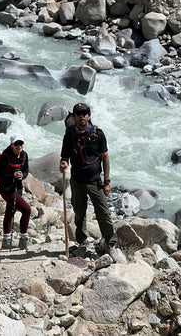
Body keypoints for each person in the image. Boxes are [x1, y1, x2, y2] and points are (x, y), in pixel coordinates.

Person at [59, 103, 118, 258]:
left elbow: (105, 157)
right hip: (77, 180)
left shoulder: (98, 134)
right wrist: (63, 164)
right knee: (79, 212)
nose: (81, 116)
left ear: (89, 116)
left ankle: (110, 244)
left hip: (94, 181)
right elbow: (64, 157)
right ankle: (81, 241)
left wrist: (107, 181)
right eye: (78, 113)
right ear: (74, 117)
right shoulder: (70, 134)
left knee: (103, 213)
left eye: (85, 113)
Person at [0, 134, 31, 250]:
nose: (19, 146)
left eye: (21, 143)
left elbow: (25, 171)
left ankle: (6, 241)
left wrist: (22, 175)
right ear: (11, 145)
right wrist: (13, 174)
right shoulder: (6, 156)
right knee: (27, 210)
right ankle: (23, 239)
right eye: (16, 144)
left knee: (10, 211)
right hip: (7, 189)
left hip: (18, 188)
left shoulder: (24, 155)